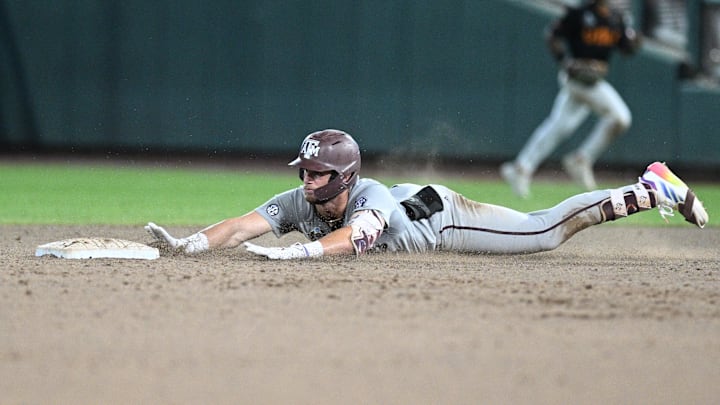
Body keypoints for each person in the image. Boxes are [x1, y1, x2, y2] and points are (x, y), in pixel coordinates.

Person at [145, 129, 707, 259]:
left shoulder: (368, 200)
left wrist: (300, 253)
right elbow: (244, 224)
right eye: (305, 172)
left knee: (543, 232)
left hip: (440, 216)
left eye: (316, 173)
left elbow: (357, 235)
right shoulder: (304, 201)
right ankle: (647, 187)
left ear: (342, 177)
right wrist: (188, 245)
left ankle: (648, 187)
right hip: (410, 200)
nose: (305, 180)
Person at [501, 0, 641, 198]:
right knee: (620, 117)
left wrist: (634, 38)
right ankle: (581, 159)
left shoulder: (616, 19)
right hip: (576, 79)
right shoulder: (579, 13)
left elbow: (628, 48)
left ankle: (521, 167)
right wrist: (564, 60)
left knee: (559, 127)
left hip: (593, 80)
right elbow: (552, 35)